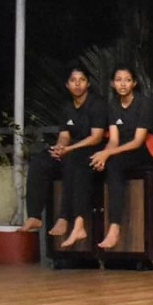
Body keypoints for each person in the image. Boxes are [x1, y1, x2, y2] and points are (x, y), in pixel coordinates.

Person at [20, 67, 108, 246]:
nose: (77, 84)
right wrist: (60, 148)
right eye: (73, 80)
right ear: (67, 85)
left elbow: (96, 137)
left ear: (88, 84)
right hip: (72, 150)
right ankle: (35, 216)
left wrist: (69, 149)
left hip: (92, 151)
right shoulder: (67, 107)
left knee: (73, 160)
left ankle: (65, 217)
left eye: (81, 80)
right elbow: (65, 135)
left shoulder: (97, 104)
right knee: (40, 161)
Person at [90, 66, 153, 250]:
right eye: (118, 80)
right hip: (120, 150)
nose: (123, 84)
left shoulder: (144, 103)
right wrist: (103, 155)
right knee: (95, 163)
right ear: (113, 83)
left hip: (143, 150)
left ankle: (114, 227)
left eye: (127, 80)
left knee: (113, 163)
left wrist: (108, 154)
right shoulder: (113, 105)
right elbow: (113, 140)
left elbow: (137, 141)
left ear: (134, 83)